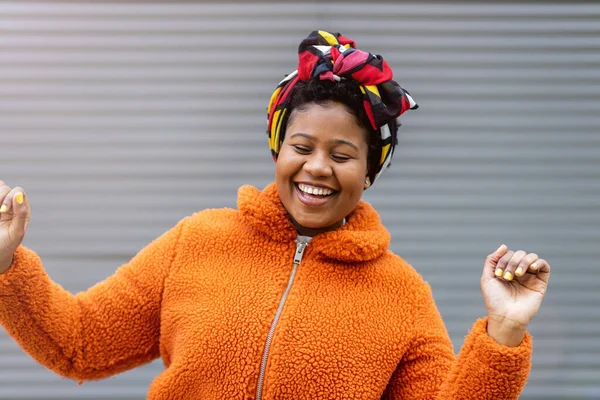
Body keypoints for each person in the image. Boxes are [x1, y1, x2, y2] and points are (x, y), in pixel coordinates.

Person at [0, 30, 550, 399]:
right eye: (302, 147)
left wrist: (502, 332)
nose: (317, 169)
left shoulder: (402, 294)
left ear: (369, 170)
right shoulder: (198, 241)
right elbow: (78, 342)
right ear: (277, 149)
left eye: (342, 156)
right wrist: (6, 265)